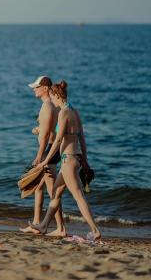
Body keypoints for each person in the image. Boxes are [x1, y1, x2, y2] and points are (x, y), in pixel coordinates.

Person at [30, 80, 101, 241]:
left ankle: (95, 230)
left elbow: (58, 140)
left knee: (78, 196)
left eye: (52, 98)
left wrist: (44, 161)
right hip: (72, 159)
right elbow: (82, 138)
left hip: (68, 161)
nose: (52, 101)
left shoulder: (63, 113)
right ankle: (44, 226)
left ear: (56, 96)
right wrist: (85, 161)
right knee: (55, 194)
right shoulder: (74, 111)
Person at [19, 76, 66, 236]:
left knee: (53, 191)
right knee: (38, 188)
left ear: (45, 88)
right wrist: (38, 129)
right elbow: (50, 128)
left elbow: (47, 134)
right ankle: (37, 224)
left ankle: (60, 228)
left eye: (36, 87)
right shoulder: (52, 105)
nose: (34, 89)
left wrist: (40, 156)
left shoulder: (47, 106)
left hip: (49, 152)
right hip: (52, 149)